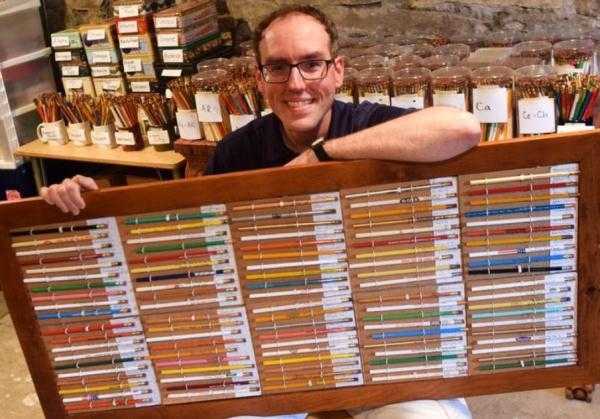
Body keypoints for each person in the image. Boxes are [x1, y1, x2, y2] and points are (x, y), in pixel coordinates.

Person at [41, 5, 479, 419]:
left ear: (337, 70)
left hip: (386, 336)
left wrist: (321, 155)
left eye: (312, 64)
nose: (296, 83)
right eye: (278, 67)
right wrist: (90, 206)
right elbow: (188, 252)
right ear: (260, 78)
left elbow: (461, 128)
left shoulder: (372, 125)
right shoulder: (236, 152)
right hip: (278, 343)